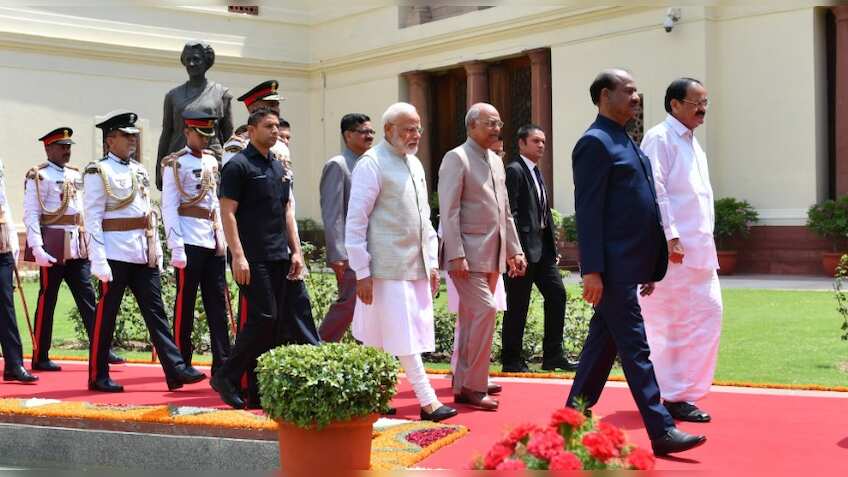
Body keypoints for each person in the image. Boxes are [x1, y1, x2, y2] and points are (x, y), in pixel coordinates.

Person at [564, 69, 705, 455]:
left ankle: (572, 416)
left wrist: (646, 265)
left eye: (637, 91)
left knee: (601, 345)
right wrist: (590, 270)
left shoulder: (624, 139)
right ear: (604, 96)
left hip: (628, 267)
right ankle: (660, 430)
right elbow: (588, 213)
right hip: (609, 269)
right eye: (628, 91)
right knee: (636, 349)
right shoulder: (594, 143)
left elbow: (638, 210)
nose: (637, 97)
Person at [345, 102, 457, 422]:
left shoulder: (414, 163)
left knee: (381, 336)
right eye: (407, 129)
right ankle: (428, 401)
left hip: (415, 264)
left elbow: (424, 218)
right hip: (385, 267)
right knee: (404, 334)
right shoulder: (372, 163)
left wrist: (432, 263)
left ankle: (370, 397)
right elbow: (355, 222)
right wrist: (362, 271)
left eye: (417, 128)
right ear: (388, 130)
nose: (414, 135)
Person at [84, 111, 206, 392]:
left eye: (133, 136)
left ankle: (175, 370)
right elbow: (92, 217)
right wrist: (98, 259)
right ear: (110, 139)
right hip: (114, 254)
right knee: (106, 317)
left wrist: (157, 251)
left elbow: (147, 213)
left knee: (156, 313)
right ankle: (98, 374)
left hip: (141, 251)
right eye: (126, 136)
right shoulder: (97, 171)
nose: (132, 141)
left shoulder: (138, 169)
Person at [211, 107, 308, 409]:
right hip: (252, 258)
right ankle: (226, 375)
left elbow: (286, 213)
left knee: (276, 323)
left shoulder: (278, 167)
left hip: (279, 254)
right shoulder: (238, 166)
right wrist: (237, 255)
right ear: (251, 130)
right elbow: (227, 212)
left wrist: (296, 251)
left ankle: (257, 388)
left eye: (277, 126)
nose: (275, 131)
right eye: (268, 126)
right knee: (264, 317)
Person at [638, 77, 721, 423]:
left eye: (706, 101)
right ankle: (673, 396)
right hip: (674, 253)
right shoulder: (660, 137)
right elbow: (654, 189)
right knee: (670, 324)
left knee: (708, 317)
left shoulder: (692, 142)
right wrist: (669, 235)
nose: (703, 108)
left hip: (700, 250)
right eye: (696, 102)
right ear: (674, 104)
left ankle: (682, 391)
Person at [438, 103, 526, 411]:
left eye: (498, 123)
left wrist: (514, 249)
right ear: (472, 126)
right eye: (490, 123)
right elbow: (449, 213)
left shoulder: (496, 160)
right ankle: (474, 385)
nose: (496, 129)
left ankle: (465, 381)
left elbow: (505, 211)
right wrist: (456, 254)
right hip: (466, 256)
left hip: (493, 253)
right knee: (485, 311)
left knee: (473, 317)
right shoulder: (456, 158)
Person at [23, 127, 123, 372]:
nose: (66, 151)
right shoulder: (39, 176)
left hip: (77, 244)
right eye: (61, 146)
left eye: (68, 146)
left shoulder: (75, 174)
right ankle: (40, 355)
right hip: (54, 243)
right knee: (48, 300)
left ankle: (102, 349)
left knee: (88, 297)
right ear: (48, 148)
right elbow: (32, 213)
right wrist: (37, 246)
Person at [501, 124, 578, 373]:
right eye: (536, 141)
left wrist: (552, 245)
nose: (541, 145)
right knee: (517, 305)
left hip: (543, 252)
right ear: (522, 143)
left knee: (557, 295)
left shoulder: (536, 171)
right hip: (521, 252)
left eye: (543, 141)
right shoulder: (514, 170)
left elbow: (543, 213)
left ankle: (553, 356)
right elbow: (509, 212)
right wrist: (514, 250)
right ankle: (512, 360)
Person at [160, 111, 232, 376]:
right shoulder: (174, 164)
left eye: (207, 135)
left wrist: (221, 237)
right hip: (188, 238)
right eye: (199, 134)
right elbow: (169, 206)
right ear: (187, 132)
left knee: (217, 304)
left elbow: (214, 202)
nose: (204, 139)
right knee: (185, 303)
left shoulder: (212, 161)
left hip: (210, 237)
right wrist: (175, 246)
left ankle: (222, 362)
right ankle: (181, 362)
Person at [317, 113, 374, 342]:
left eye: (372, 132)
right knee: (350, 303)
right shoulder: (338, 165)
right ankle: (319, 347)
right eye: (364, 132)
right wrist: (338, 253)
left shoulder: (370, 164)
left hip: (373, 247)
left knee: (370, 304)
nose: (370, 136)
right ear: (348, 135)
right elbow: (333, 213)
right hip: (350, 251)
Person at [155, 40, 233, 190]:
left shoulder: (221, 93)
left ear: (206, 61)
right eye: (187, 59)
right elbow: (166, 132)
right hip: (178, 160)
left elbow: (228, 135)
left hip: (211, 162)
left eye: (196, 59)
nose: (191, 64)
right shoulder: (173, 96)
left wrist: (232, 170)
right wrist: (159, 167)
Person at [0, 158, 37, 383]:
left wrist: (13, 241)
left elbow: (3, 204)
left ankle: (14, 365)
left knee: (5, 306)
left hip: (1, 243)